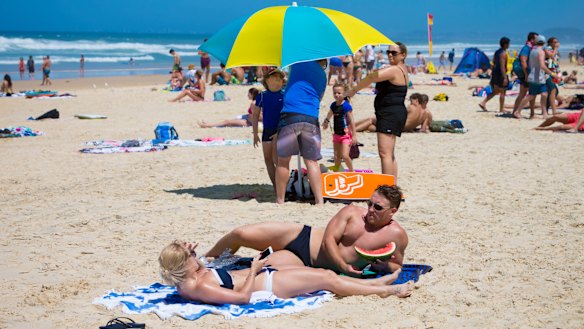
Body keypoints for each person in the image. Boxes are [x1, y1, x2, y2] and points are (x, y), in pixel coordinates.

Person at [205, 185, 408, 276]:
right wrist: (342, 266)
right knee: (240, 234)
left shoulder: (396, 236)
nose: (370, 210)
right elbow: (328, 240)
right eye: (369, 203)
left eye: (378, 207)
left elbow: (397, 265)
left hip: (308, 263)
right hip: (301, 237)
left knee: (261, 270)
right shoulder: (351, 212)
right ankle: (204, 260)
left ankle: (214, 268)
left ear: (393, 211)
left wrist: (382, 266)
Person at [158, 241, 413, 305]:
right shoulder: (195, 286)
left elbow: (204, 267)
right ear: (183, 266)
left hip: (263, 273)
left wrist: (191, 252)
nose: (195, 255)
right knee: (326, 278)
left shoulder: (191, 276)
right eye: (189, 255)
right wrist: (254, 270)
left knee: (316, 271)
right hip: (267, 283)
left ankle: (378, 283)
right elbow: (242, 299)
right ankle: (385, 290)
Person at [345, 42, 409, 179]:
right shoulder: (401, 69)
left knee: (384, 153)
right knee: (389, 154)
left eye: (394, 53)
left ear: (403, 55)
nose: (390, 55)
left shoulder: (395, 70)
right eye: (388, 52)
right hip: (394, 112)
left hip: (390, 114)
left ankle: (387, 188)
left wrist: (353, 90)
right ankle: (392, 186)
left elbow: (372, 77)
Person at [275, 60, 327, 204]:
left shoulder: (297, 62)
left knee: (283, 161)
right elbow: (320, 96)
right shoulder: (323, 75)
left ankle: (280, 199)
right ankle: (319, 201)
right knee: (312, 161)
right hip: (311, 117)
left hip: (290, 115)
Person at [252, 69, 285, 188]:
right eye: (275, 76)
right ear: (267, 80)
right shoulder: (262, 96)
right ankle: (276, 187)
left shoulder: (285, 95)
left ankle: (283, 187)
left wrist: (280, 132)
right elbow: (255, 115)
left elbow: (289, 115)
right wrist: (255, 134)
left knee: (278, 160)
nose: (278, 79)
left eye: (280, 78)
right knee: (268, 160)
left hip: (280, 130)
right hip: (267, 130)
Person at [515, 35, 559, 119]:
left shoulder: (533, 50)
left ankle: (545, 113)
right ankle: (518, 111)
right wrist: (552, 74)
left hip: (535, 76)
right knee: (531, 96)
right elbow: (542, 65)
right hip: (537, 77)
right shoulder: (540, 52)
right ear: (544, 42)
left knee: (544, 94)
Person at [322, 83, 358, 172]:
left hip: (346, 135)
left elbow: (352, 122)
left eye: (339, 93)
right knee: (336, 156)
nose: (337, 95)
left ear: (344, 93)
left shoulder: (346, 106)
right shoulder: (333, 105)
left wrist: (354, 136)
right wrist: (326, 122)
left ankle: (351, 171)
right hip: (336, 135)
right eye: (335, 93)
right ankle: (337, 171)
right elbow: (329, 114)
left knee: (345, 156)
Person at [479, 37, 510, 113]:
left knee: (496, 91)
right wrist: (505, 77)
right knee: (503, 91)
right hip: (500, 74)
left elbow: (493, 63)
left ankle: (483, 102)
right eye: (508, 44)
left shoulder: (497, 52)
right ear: (505, 44)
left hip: (495, 73)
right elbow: (502, 66)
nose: (509, 45)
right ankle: (501, 109)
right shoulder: (503, 54)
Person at [512, 32, 538, 118]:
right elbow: (523, 62)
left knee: (529, 93)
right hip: (525, 74)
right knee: (524, 94)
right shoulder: (526, 48)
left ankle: (531, 113)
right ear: (532, 39)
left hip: (527, 73)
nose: (538, 40)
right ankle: (516, 112)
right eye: (537, 38)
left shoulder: (531, 48)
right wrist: (527, 75)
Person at [544, 37, 561, 115]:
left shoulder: (554, 50)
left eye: (557, 42)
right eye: (554, 42)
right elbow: (551, 56)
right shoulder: (547, 49)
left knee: (554, 91)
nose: (556, 43)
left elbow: (555, 62)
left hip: (553, 73)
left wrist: (558, 74)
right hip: (546, 73)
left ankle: (545, 109)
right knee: (553, 90)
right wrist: (556, 48)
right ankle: (554, 110)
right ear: (550, 43)